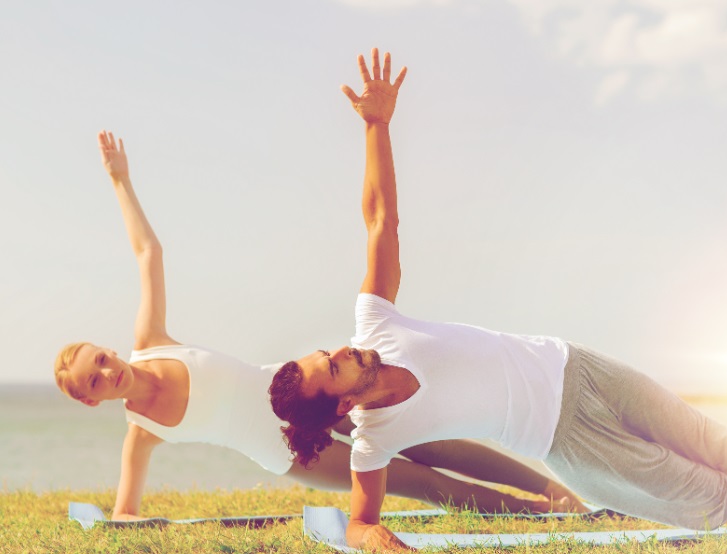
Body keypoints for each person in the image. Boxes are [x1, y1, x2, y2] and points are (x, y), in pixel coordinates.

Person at [269, 48, 727, 553]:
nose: (344, 350)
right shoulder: (373, 442)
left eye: (330, 352)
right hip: (567, 441)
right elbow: (359, 521)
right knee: (701, 493)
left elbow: (382, 220)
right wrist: (387, 547)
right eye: (335, 366)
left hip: (575, 366)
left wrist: (377, 128)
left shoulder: (375, 320)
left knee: (719, 443)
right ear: (346, 401)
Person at [52, 130, 587, 522]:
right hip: (285, 450)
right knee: (415, 481)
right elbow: (125, 515)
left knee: (435, 442)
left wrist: (120, 179)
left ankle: (558, 494)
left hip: (306, 389)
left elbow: (149, 253)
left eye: (99, 357)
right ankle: (538, 514)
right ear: (90, 400)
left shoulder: (149, 345)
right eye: (94, 380)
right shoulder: (141, 433)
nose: (107, 370)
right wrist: (119, 519)